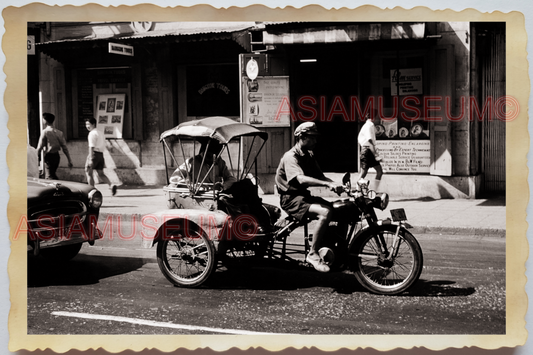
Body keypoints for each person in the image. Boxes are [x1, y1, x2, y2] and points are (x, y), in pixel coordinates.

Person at [275, 122, 343, 272]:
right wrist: (327, 185)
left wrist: (338, 185)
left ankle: (330, 246)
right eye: (312, 138)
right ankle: (312, 253)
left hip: (303, 196)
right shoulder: (290, 156)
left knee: (339, 209)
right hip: (290, 199)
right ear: (302, 137)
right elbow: (300, 179)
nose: (315, 141)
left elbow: (320, 177)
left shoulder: (308, 155)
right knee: (325, 212)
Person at [170, 139, 236, 191]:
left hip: (215, 195)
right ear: (204, 151)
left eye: (216, 155)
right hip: (198, 195)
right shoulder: (192, 162)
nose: (213, 159)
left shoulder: (220, 162)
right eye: (209, 156)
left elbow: (231, 179)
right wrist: (192, 185)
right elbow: (174, 178)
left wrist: (223, 186)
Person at [85, 117, 117, 195]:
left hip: (94, 154)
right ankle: (111, 185)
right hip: (101, 155)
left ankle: (91, 190)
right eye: (86, 124)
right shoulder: (100, 133)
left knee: (88, 172)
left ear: (93, 124)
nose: (87, 126)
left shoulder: (92, 133)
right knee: (100, 173)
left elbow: (91, 147)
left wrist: (90, 158)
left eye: (88, 124)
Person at [36, 113, 73, 179]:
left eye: (43, 119)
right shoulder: (59, 132)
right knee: (52, 174)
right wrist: (69, 160)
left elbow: (39, 147)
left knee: (49, 176)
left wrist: (35, 158)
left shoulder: (45, 132)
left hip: (49, 157)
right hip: (56, 157)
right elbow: (65, 148)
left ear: (45, 121)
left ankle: (56, 188)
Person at [357, 112, 384, 192]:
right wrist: (375, 155)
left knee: (379, 171)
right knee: (364, 172)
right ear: (373, 118)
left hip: (368, 150)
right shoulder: (368, 126)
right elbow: (369, 141)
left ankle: (374, 191)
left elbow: (373, 137)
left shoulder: (370, 125)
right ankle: (357, 191)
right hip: (367, 150)